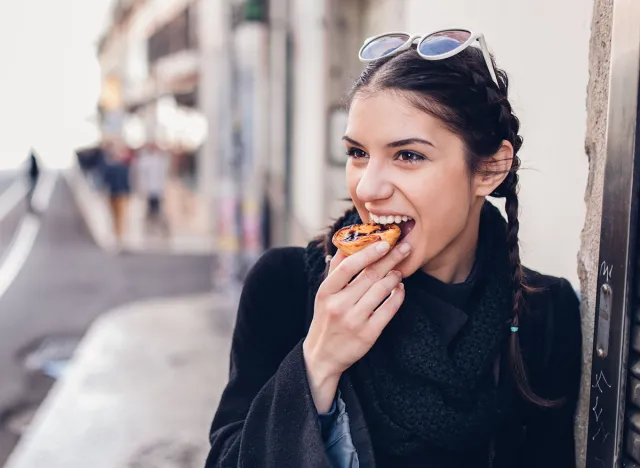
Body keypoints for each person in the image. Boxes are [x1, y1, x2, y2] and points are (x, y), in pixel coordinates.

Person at [205, 30, 581, 468]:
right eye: (358, 152)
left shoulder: (543, 313)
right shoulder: (286, 285)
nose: (367, 188)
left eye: (408, 156)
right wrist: (318, 362)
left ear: (490, 169)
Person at [136, 142, 170, 236]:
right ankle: (151, 227)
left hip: (157, 189)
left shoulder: (160, 160)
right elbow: (142, 176)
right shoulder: (146, 161)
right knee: (151, 209)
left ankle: (158, 227)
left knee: (157, 209)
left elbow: (162, 176)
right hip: (150, 189)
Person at [102, 142, 131, 248]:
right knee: (114, 215)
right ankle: (116, 233)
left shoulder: (124, 167)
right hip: (113, 193)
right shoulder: (110, 167)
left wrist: (128, 192)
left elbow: (127, 181)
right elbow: (106, 181)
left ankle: (119, 235)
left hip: (121, 193)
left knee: (120, 215)